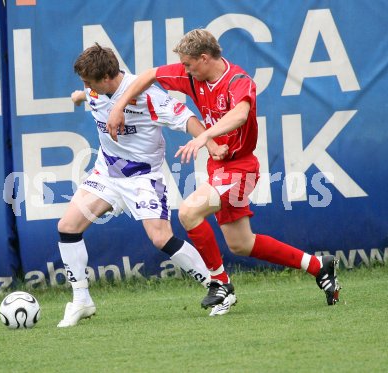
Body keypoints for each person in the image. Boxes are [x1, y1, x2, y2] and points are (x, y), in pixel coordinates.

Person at [107, 29, 341, 308]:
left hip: (241, 169)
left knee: (189, 211)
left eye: (188, 64)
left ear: (204, 58)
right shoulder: (192, 77)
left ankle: (220, 284)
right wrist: (118, 106)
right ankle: (318, 266)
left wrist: (205, 136)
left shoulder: (238, 80)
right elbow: (149, 75)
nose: (185, 70)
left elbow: (240, 114)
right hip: (218, 168)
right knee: (241, 243)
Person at [56, 43, 233, 328]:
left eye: (89, 83)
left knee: (160, 238)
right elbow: (88, 97)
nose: (86, 86)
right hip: (107, 173)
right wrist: (79, 96)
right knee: (67, 227)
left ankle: (219, 288)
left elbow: (187, 118)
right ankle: (81, 301)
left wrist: (210, 142)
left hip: (142, 178)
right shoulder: (94, 91)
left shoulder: (148, 96)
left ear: (106, 78)